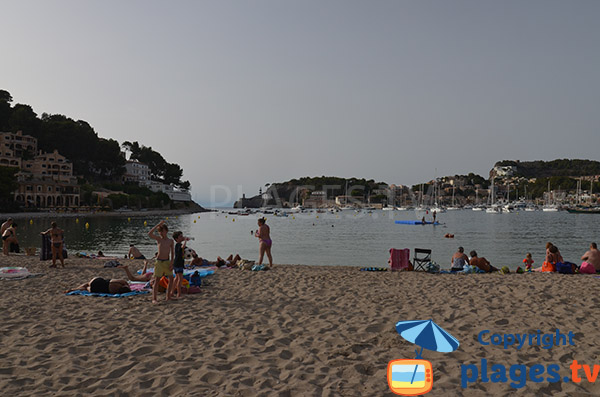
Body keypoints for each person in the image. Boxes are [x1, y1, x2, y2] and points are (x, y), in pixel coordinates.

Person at [148, 220, 174, 304]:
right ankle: (154, 298)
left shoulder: (170, 241)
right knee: (157, 280)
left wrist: (171, 263)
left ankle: (168, 296)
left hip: (167, 261)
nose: (160, 233)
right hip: (159, 262)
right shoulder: (159, 239)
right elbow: (149, 234)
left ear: (166, 231)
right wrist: (158, 225)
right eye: (159, 232)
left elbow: (173, 253)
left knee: (171, 278)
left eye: (162, 231)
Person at [171, 231, 188, 299]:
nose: (182, 237)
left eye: (182, 236)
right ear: (176, 239)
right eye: (180, 236)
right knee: (180, 279)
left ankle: (172, 292)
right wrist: (185, 240)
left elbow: (185, 248)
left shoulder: (180, 244)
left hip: (178, 263)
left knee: (176, 278)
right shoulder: (178, 244)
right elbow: (182, 247)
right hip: (178, 264)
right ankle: (179, 294)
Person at [64, 277, 131, 294]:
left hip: (98, 281)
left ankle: (74, 288)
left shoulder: (121, 283)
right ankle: (74, 289)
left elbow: (111, 280)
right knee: (86, 288)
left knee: (87, 283)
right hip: (96, 289)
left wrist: (128, 285)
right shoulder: (114, 292)